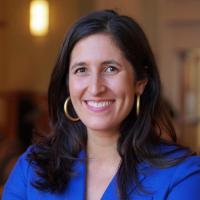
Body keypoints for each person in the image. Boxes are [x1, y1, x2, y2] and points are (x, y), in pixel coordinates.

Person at [2, 10, 200, 200]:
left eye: (110, 69)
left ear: (140, 82)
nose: (95, 88)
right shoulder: (33, 167)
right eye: (81, 70)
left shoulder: (183, 175)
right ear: (67, 82)